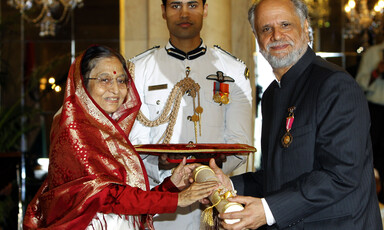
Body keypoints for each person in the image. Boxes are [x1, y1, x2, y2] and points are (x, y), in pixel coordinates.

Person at [206, 0, 382, 229]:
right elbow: (277, 177)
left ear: (305, 26)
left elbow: (341, 175)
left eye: (286, 25)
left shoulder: (335, 84)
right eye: (266, 29)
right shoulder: (271, 96)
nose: (276, 36)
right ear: (257, 37)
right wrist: (229, 184)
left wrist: (268, 210)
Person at [22, 45, 218, 230]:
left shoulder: (104, 130)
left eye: (122, 80)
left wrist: (171, 186)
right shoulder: (74, 129)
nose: (115, 89)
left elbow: (125, 203)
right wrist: (178, 199)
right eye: (104, 80)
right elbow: (108, 197)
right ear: (82, 83)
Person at [128, 0, 253, 229]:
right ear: (163, 11)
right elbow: (133, 144)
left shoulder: (232, 70)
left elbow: (241, 143)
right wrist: (161, 165)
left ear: (205, 9)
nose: (184, 13)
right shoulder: (139, 70)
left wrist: (206, 174)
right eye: (175, 5)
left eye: (192, 4)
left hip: (214, 204)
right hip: (161, 207)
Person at [356, 42, 384, 203]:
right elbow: (359, 83)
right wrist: (377, 72)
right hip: (375, 111)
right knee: (371, 153)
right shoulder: (373, 53)